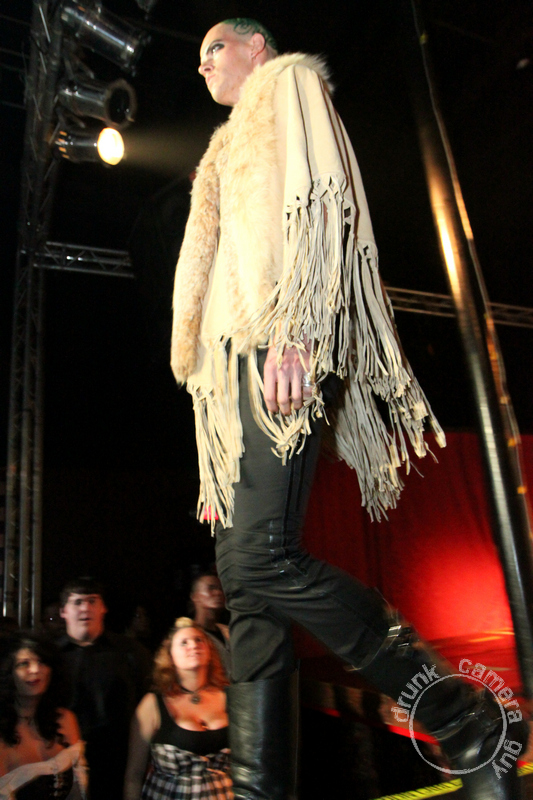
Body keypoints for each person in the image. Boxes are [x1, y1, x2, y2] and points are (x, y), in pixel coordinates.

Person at [170, 17, 528, 800]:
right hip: (228, 377)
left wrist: (296, 329)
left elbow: (322, 202)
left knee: (262, 559)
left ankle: (462, 716)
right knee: (246, 589)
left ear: (256, 47)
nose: (202, 66)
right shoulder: (224, 147)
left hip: (275, 338)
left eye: (213, 49)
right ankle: (262, 789)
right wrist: (213, 425)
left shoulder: (288, 85)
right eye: (197, 59)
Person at [57, 577, 152, 800]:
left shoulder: (132, 652)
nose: (85, 608)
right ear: (63, 611)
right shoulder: (51, 656)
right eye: (77, 602)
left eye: (92, 601)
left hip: (118, 765)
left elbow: (151, 705)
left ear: (103, 608)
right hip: (62, 764)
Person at [123, 617, 232, 800]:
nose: (193, 645)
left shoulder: (229, 698)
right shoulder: (153, 704)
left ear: (210, 651)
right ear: (170, 656)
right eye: (184, 643)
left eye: (199, 640)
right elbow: (134, 775)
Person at [0, 632, 87, 799]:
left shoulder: (65, 719)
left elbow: (77, 792)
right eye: (24, 664)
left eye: (42, 662)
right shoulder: (3, 732)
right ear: (7, 672)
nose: (35, 670)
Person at [190, 574, 230, 676]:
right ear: (195, 596)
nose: (218, 593)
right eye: (211, 588)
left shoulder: (228, 631)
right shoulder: (189, 635)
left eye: (221, 589)